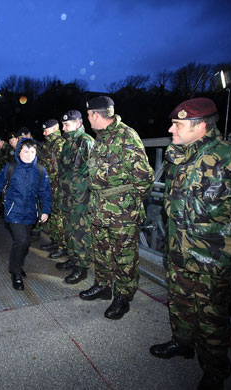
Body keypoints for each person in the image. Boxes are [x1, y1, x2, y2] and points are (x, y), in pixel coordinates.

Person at [149, 98, 231, 390]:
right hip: (178, 252)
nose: (171, 129)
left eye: (178, 124)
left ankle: (215, 369)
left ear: (201, 127)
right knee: (180, 304)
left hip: (213, 259)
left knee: (211, 316)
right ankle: (182, 343)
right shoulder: (179, 157)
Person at [82, 96, 155, 320]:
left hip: (121, 213)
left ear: (95, 114)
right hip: (99, 208)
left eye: (88, 115)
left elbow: (145, 177)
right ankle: (103, 285)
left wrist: (128, 204)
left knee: (124, 256)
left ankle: (123, 296)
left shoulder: (126, 136)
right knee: (101, 251)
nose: (88, 119)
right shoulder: (101, 138)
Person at [0, 138, 52, 290]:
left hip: (31, 212)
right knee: (21, 240)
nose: (29, 155)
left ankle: (18, 265)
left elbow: (45, 192)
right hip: (13, 211)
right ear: (19, 152)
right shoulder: (10, 167)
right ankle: (15, 273)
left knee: (26, 242)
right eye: (25, 151)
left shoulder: (40, 170)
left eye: (32, 151)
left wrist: (46, 210)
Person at [55, 110, 96, 284]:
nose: (64, 128)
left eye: (67, 124)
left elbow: (93, 172)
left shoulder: (85, 142)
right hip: (67, 196)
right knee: (70, 230)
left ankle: (82, 267)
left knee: (81, 232)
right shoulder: (67, 144)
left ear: (78, 123)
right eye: (63, 125)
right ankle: (73, 258)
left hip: (81, 198)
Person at [38, 119, 67, 259]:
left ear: (55, 129)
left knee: (60, 219)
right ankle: (56, 241)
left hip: (59, 189)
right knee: (54, 217)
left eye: (46, 130)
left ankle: (63, 246)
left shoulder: (61, 145)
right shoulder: (48, 146)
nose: (44, 133)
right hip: (49, 188)